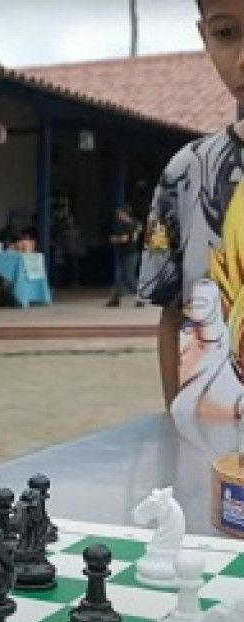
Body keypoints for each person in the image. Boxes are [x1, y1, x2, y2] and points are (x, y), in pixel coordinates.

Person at [138, 0, 244, 415]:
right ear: (205, 38)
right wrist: (177, 427)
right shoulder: (186, 173)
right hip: (216, 432)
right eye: (226, 33)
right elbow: (173, 312)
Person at [105, 205, 143, 307]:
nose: (118, 215)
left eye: (119, 213)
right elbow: (138, 230)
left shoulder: (123, 224)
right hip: (131, 252)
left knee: (128, 277)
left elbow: (124, 239)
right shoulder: (136, 223)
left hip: (128, 253)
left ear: (124, 213)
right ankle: (115, 299)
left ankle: (141, 296)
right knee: (118, 277)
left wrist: (114, 239)